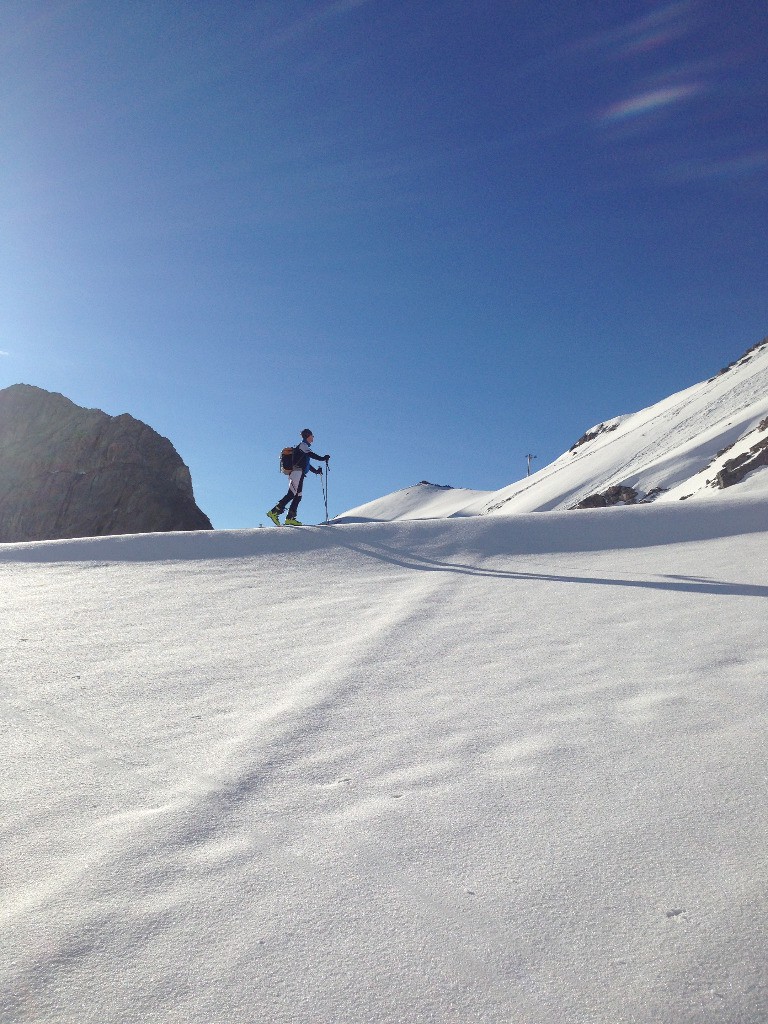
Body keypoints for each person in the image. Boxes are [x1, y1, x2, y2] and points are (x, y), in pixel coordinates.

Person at [267, 429, 329, 526]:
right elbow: (311, 455)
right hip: (296, 472)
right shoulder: (303, 445)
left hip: (300, 473)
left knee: (298, 496)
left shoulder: (304, 447)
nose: (313, 438)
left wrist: (316, 471)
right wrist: (323, 458)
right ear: (308, 436)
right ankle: (274, 512)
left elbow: (307, 464)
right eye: (312, 436)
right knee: (292, 494)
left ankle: (290, 518)